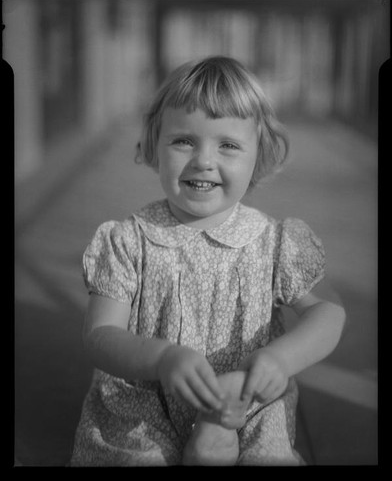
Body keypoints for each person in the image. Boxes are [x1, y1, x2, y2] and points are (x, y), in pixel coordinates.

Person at [70, 56, 346, 466]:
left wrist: (279, 360)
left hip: (244, 400)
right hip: (146, 402)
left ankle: (219, 434)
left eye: (228, 145)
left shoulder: (276, 241)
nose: (203, 160)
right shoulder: (128, 239)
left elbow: (328, 313)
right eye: (184, 141)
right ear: (153, 145)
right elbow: (100, 333)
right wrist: (161, 359)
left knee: (266, 454)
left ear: (259, 155)